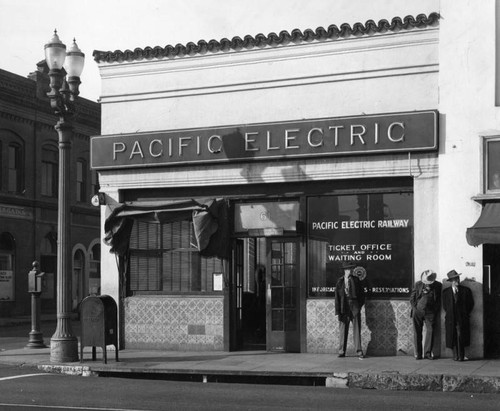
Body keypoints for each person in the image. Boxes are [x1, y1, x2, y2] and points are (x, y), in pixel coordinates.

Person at [335, 261, 365, 359]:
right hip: (344, 307)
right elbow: (337, 298)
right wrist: (338, 310)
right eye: (347, 269)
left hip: (354, 307)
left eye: (350, 269)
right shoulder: (339, 281)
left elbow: (362, 295)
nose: (349, 271)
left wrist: (358, 306)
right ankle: (341, 351)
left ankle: (359, 351)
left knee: (356, 329)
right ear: (344, 271)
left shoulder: (356, 280)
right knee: (343, 330)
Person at [442, 269, 474, 361]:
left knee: (461, 335)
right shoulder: (446, 292)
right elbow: (445, 306)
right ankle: (455, 355)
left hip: (462, 317)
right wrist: (450, 313)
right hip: (451, 318)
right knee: (453, 336)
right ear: (451, 281)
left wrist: (465, 313)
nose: (457, 281)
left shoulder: (466, 291)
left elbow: (471, 304)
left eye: (458, 278)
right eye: (455, 279)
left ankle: (461, 355)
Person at [410, 270, 442, 360]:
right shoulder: (418, 284)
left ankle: (427, 353)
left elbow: (438, 300)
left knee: (430, 331)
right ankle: (418, 354)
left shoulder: (438, 285)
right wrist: (415, 308)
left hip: (430, 312)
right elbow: (412, 298)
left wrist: (435, 310)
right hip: (418, 311)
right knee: (417, 332)